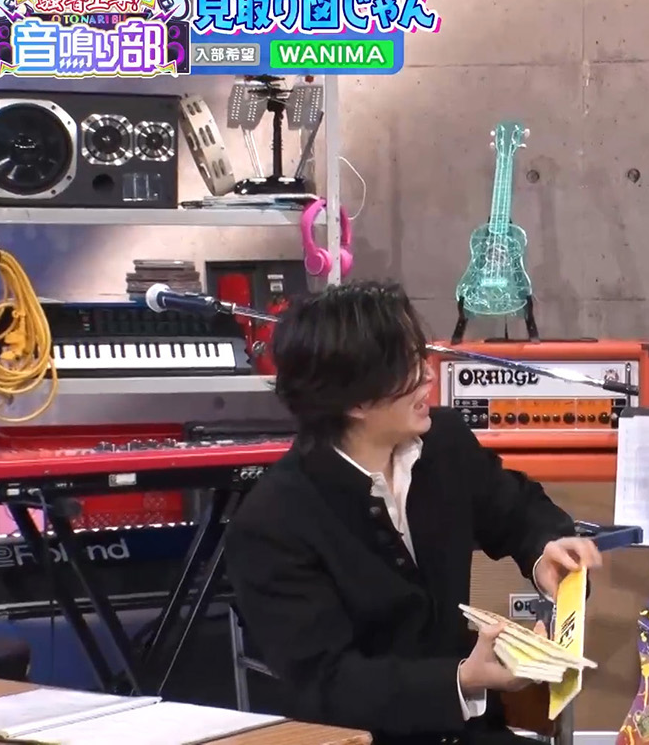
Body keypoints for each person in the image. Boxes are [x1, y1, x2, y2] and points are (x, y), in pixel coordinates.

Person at [224, 282, 602, 745]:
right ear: (355, 400)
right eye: (406, 366)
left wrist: (545, 551)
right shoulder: (272, 523)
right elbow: (326, 683)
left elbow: (517, 508)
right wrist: (461, 680)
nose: (428, 375)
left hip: (470, 734)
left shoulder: (444, 443)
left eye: (420, 356)